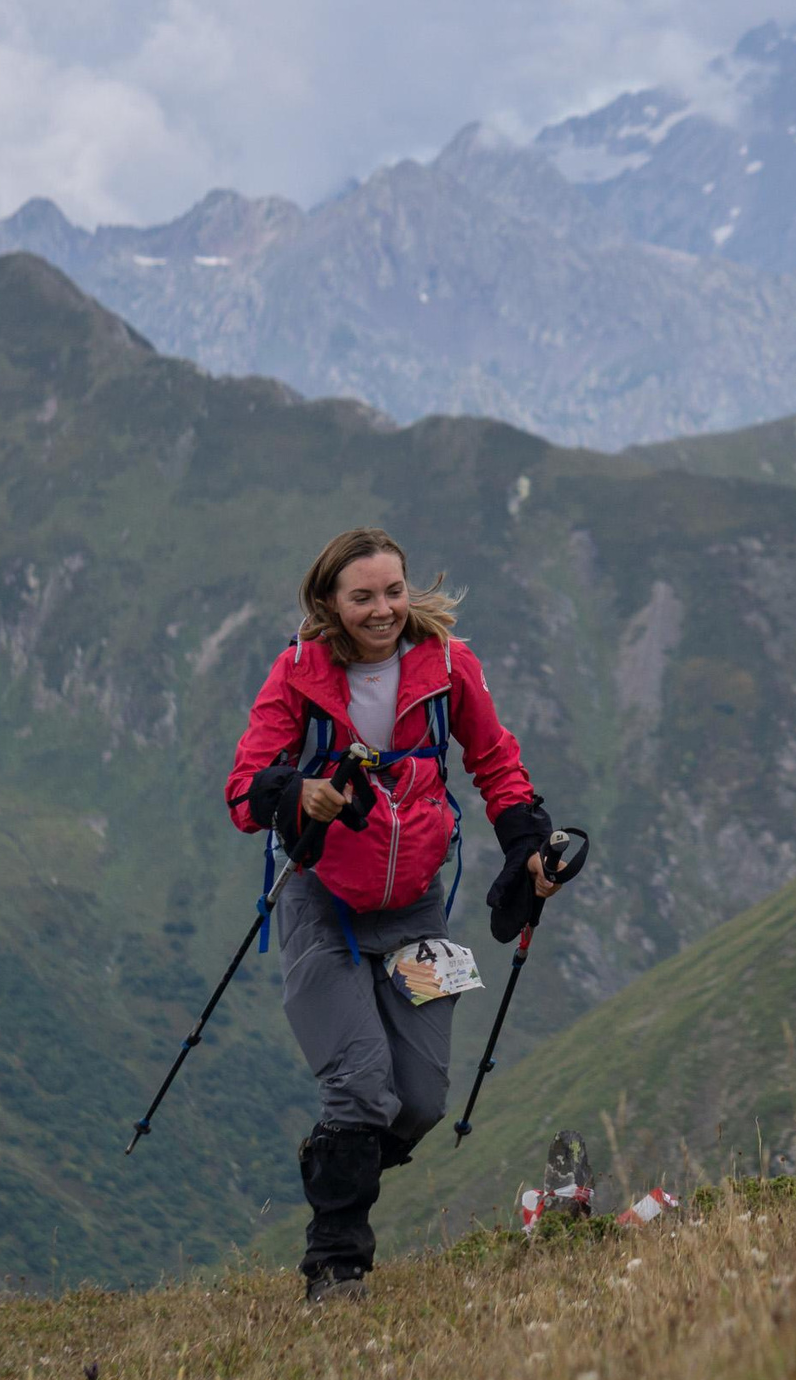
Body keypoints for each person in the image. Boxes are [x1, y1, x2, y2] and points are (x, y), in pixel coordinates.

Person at [225, 527, 560, 1304]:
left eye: (394, 591)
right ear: (329, 604)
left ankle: (336, 1158)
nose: (383, 609)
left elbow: (496, 762)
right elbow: (245, 788)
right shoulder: (298, 676)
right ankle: (336, 1266)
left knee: (419, 1098)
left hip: (413, 906)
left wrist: (530, 846)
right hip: (322, 901)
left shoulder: (447, 667)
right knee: (360, 1082)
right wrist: (295, 793)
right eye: (363, 596)